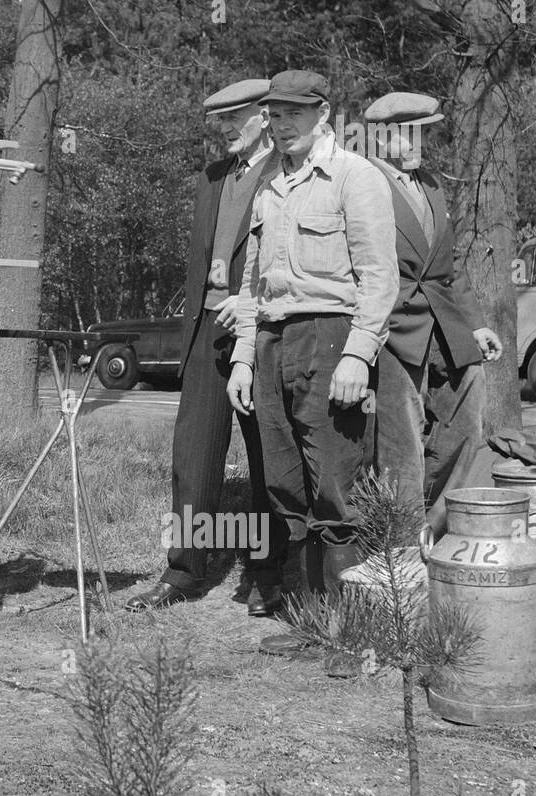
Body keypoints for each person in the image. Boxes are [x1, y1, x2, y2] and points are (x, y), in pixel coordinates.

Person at [227, 71, 398, 668]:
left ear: (324, 113)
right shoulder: (269, 183)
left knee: (336, 486)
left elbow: (380, 277)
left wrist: (358, 353)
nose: (283, 125)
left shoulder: (356, 177)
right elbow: (251, 283)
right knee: (284, 484)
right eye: (274, 114)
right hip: (274, 341)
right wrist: (245, 357)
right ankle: (308, 624)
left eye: (295, 113)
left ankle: (352, 634)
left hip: (330, 339)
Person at [125, 78, 288, 616]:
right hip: (205, 337)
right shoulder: (212, 178)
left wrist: (253, 309)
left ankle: (268, 574)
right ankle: (183, 571)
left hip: (260, 334)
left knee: (267, 462)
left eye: (233, 119)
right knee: (192, 458)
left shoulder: (286, 171)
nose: (224, 130)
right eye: (218, 121)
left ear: (265, 115)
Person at [363, 92, 502, 513]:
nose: (416, 147)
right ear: (379, 137)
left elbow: (449, 264)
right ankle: (400, 544)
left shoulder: (431, 183)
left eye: (421, 136)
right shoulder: (363, 182)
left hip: (445, 321)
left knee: (467, 412)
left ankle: (438, 523)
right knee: (401, 437)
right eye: (406, 137)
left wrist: (475, 323)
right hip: (393, 325)